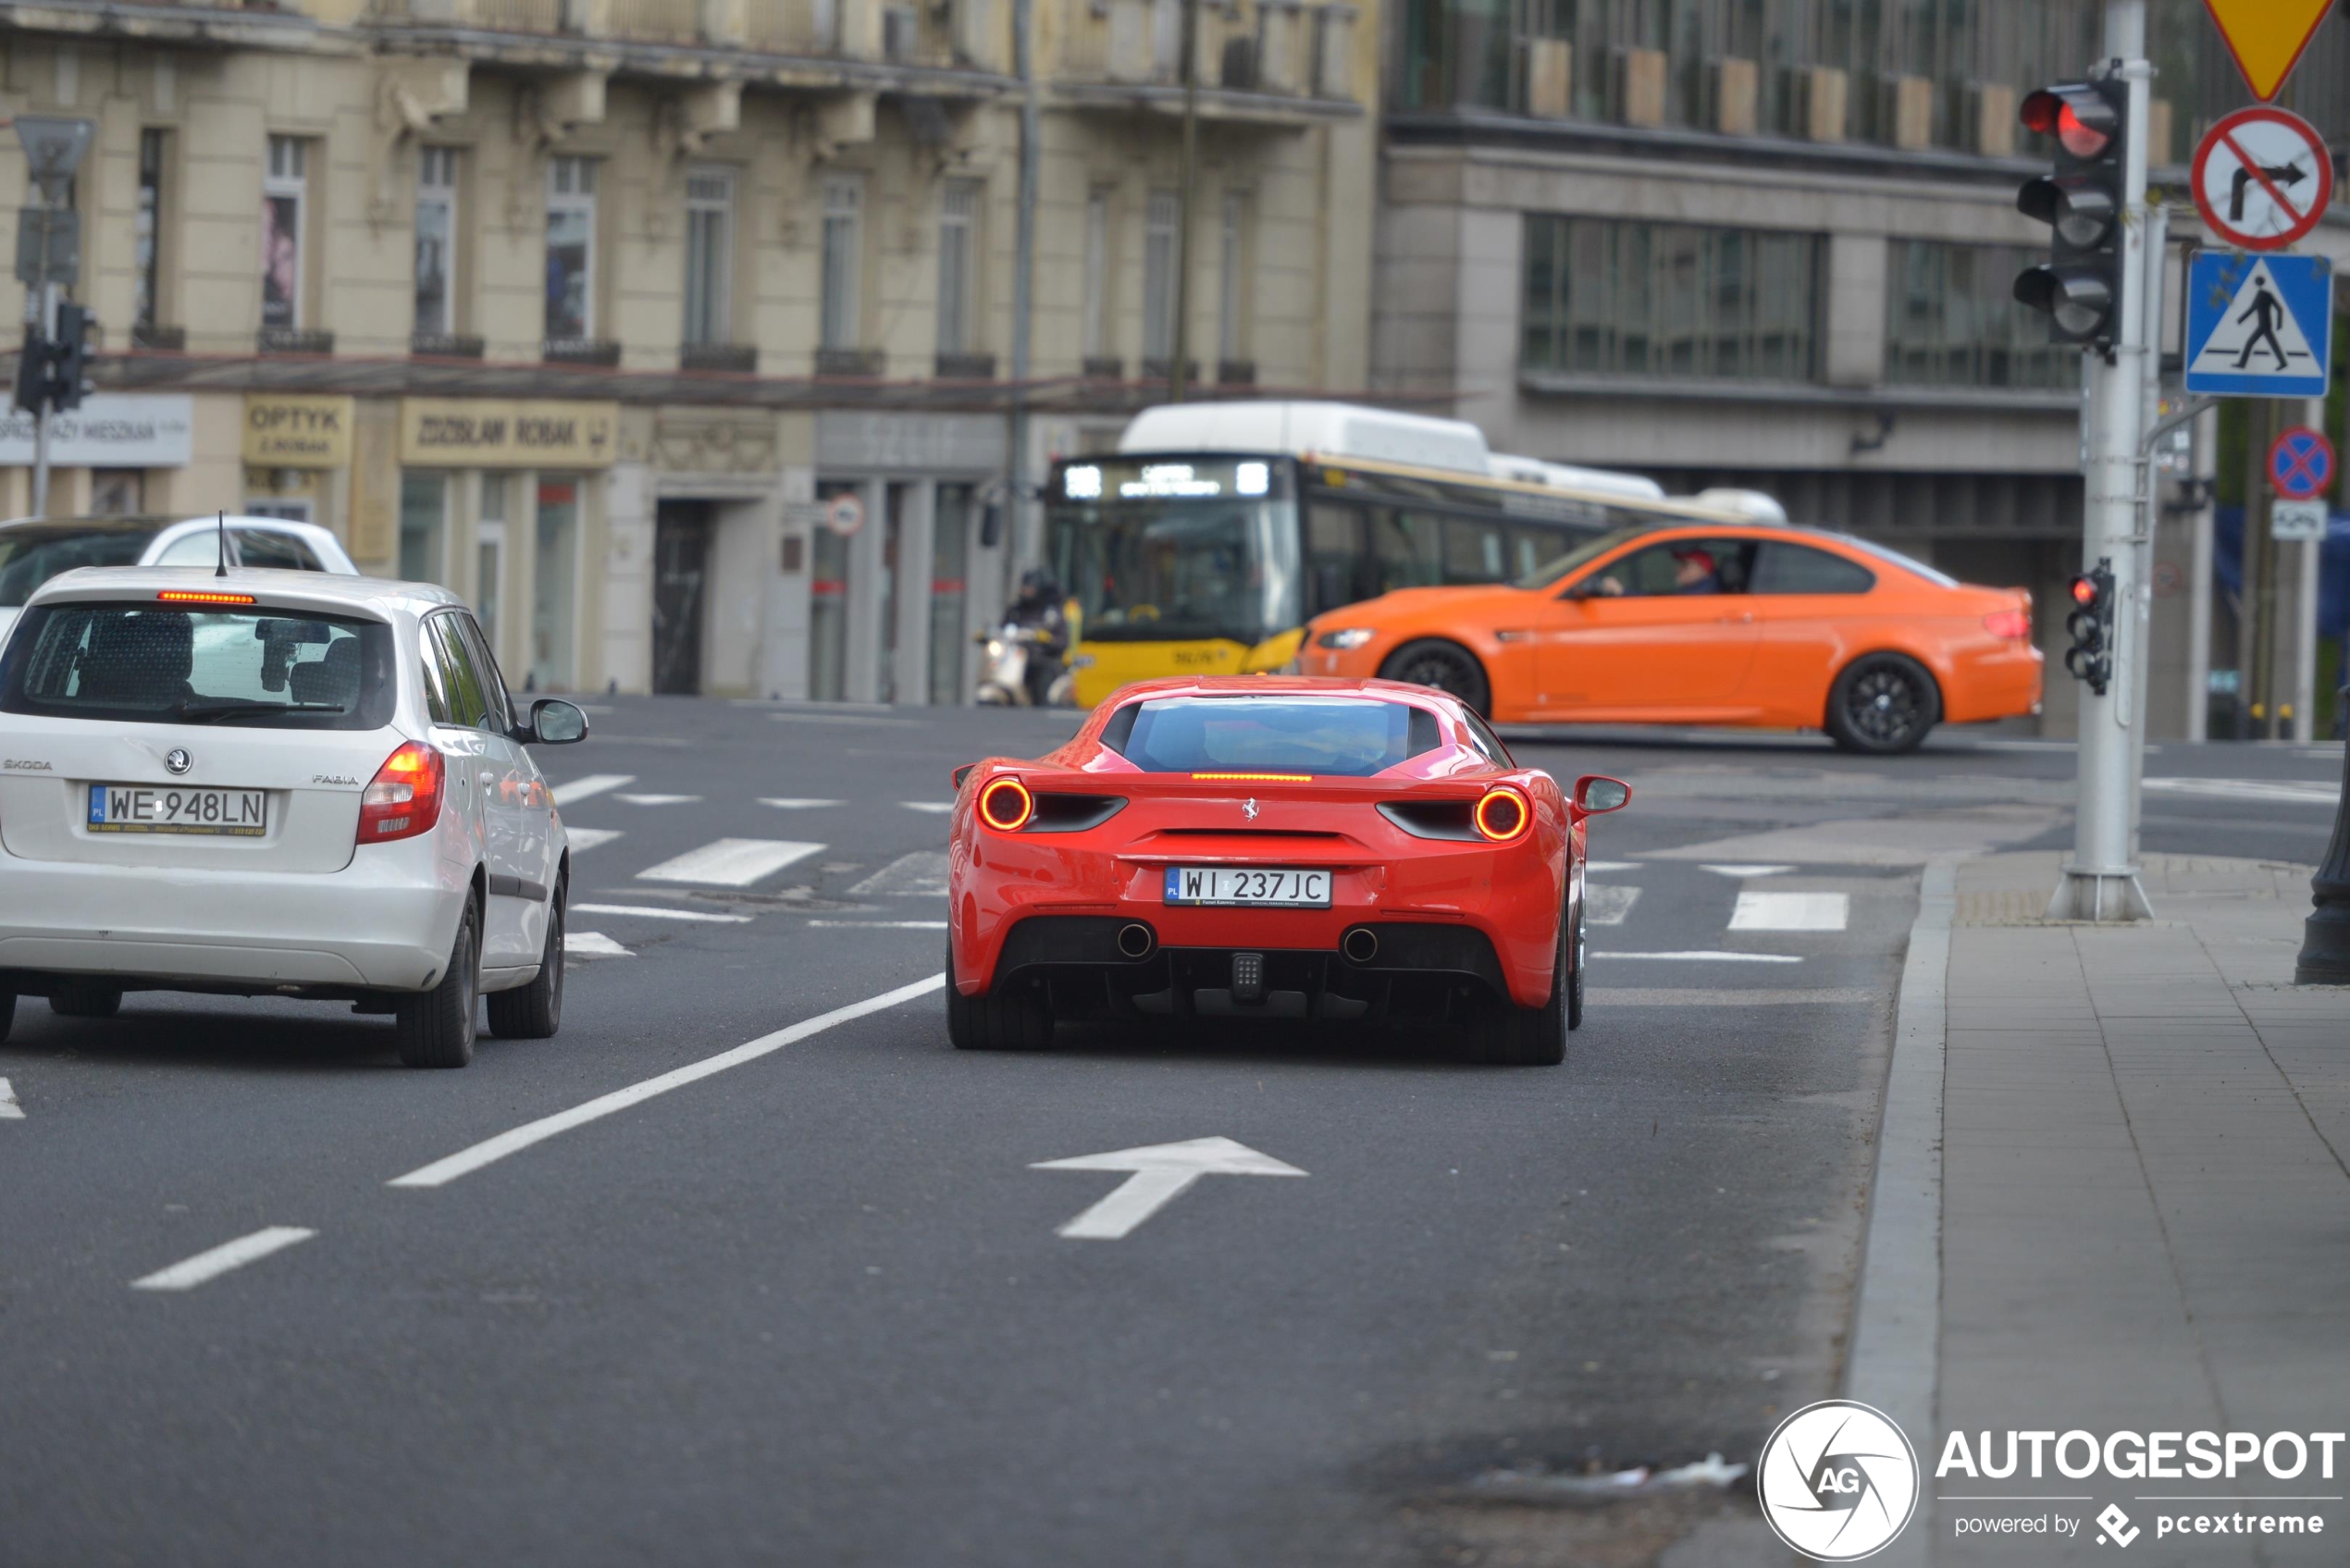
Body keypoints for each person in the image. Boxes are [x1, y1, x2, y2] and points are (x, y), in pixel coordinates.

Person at [1007, 567, 1070, 706]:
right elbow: (1003, 628)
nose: (1025, 591)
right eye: (1024, 587)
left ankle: (1039, 705)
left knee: (1041, 674)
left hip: (1042, 659)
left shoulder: (1051, 614)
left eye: (1030, 587)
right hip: (1014, 658)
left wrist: (1047, 639)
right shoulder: (1016, 611)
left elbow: (1063, 641)